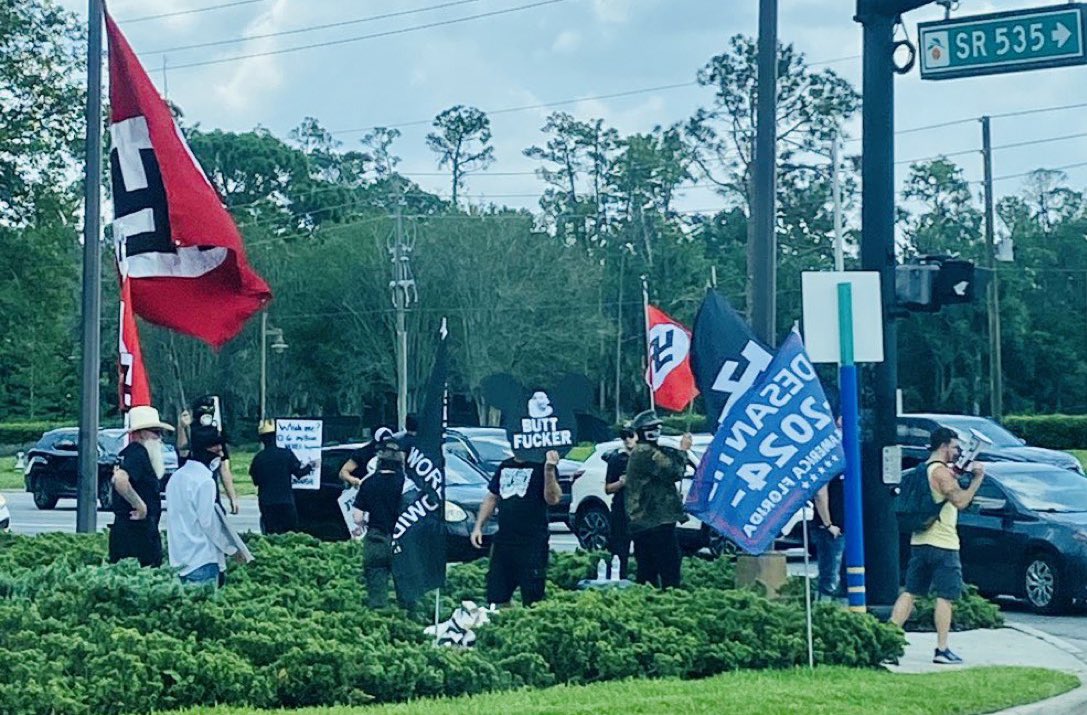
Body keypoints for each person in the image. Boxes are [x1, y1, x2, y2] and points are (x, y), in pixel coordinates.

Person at [891, 427, 986, 665]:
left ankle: (888, 640)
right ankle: (942, 649)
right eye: (955, 447)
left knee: (911, 592)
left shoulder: (924, 469)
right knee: (946, 596)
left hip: (920, 539)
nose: (958, 452)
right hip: (943, 543)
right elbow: (961, 501)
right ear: (943, 446)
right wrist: (977, 480)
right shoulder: (942, 474)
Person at [470, 449, 562, 607]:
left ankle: (529, 626)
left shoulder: (541, 465)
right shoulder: (505, 466)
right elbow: (492, 497)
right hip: (504, 540)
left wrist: (549, 470)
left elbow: (552, 499)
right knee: (496, 594)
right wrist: (478, 527)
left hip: (532, 542)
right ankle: (504, 623)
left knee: (532, 595)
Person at [624, 410, 691, 589]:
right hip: (654, 521)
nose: (657, 432)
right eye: (653, 428)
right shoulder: (646, 452)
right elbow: (673, 472)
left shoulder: (645, 451)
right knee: (668, 570)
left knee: (649, 572)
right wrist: (683, 451)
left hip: (649, 521)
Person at [165, 426, 239, 586]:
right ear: (207, 450)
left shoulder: (176, 478)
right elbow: (209, 524)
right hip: (203, 561)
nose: (221, 454)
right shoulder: (205, 481)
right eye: (218, 449)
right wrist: (232, 550)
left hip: (179, 561)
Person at [109, 405, 172, 567]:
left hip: (127, 532)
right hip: (137, 534)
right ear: (140, 433)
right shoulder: (137, 452)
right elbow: (120, 480)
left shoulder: (127, 453)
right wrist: (140, 505)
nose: (159, 438)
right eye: (154, 432)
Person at [351, 434, 407, 608]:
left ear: (379, 460)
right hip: (403, 540)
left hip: (376, 540)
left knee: (376, 590)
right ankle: (407, 620)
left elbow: (357, 517)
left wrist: (364, 524)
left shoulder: (368, 483)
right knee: (406, 589)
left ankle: (380, 618)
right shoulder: (406, 483)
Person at [249, 420, 313, 534]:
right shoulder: (286, 454)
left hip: (267, 503)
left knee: (271, 534)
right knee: (290, 534)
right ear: (276, 437)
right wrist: (310, 466)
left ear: (262, 440)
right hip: (286, 501)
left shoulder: (258, 458)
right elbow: (299, 473)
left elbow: (256, 481)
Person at [604, 428, 637, 579]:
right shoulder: (617, 459)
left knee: (644, 548)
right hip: (621, 508)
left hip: (641, 509)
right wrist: (621, 482)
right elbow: (608, 488)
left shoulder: (645, 457)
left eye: (630, 436)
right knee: (619, 548)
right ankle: (619, 577)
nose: (627, 439)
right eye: (624, 437)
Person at [811, 473, 845, 601]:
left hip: (840, 527)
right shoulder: (831, 465)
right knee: (830, 578)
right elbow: (820, 493)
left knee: (836, 576)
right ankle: (824, 611)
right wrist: (828, 524)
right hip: (832, 529)